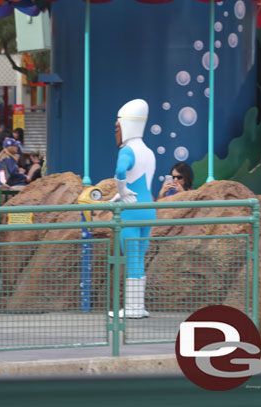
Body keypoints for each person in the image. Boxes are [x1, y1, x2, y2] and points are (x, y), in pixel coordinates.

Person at [109, 99, 156, 319]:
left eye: (117, 127)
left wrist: (123, 190)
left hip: (131, 210)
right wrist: (122, 192)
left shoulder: (127, 150)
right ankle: (139, 306)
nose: (115, 132)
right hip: (148, 209)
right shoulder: (149, 151)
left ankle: (132, 308)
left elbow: (121, 170)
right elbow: (140, 180)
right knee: (140, 255)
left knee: (131, 256)